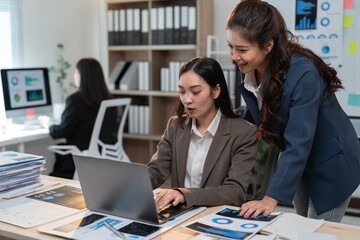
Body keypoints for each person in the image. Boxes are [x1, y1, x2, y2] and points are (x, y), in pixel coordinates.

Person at [226, 0, 360, 222]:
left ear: (268, 46)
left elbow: (299, 140)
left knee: (317, 233)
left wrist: (270, 199)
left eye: (241, 49)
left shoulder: (304, 73)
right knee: (302, 226)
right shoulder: (251, 65)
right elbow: (261, 106)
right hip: (299, 162)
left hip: (332, 163)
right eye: (230, 46)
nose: (234, 55)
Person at [147, 57, 258, 212]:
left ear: (216, 91)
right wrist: (126, 186)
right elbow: (155, 171)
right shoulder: (175, 126)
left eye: (196, 92)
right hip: (179, 217)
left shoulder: (243, 132)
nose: (187, 100)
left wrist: (184, 194)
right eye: (182, 92)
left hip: (215, 219)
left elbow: (235, 192)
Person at [39, 58, 113, 179]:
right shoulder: (107, 98)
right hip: (104, 156)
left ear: (80, 75)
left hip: (80, 159)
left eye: (75, 72)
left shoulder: (76, 100)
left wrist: (48, 123)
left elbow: (61, 132)